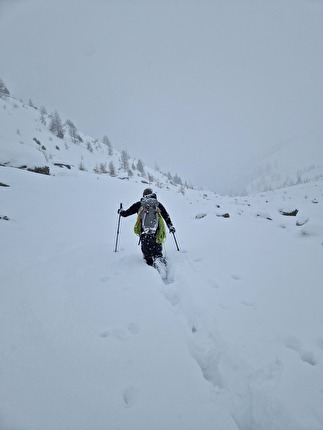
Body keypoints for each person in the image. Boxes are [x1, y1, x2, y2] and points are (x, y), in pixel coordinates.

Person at [118, 188, 175, 266]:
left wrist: (120, 211)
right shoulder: (157, 204)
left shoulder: (140, 204)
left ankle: (150, 268)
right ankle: (160, 264)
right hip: (156, 232)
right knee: (157, 254)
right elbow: (166, 216)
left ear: (143, 195)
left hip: (144, 233)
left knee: (147, 256)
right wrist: (170, 226)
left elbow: (125, 214)